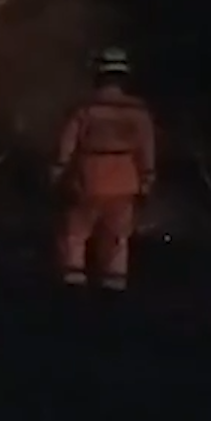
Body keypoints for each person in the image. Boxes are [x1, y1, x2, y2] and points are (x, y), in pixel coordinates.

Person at [52, 47, 156, 292]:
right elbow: (146, 149)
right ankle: (113, 291)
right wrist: (147, 181)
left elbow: (65, 147)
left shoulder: (85, 109)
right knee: (117, 241)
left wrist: (57, 175)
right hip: (125, 182)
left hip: (86, 179)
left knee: (75, 237)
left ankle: (72, 289)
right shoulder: (138, 112)